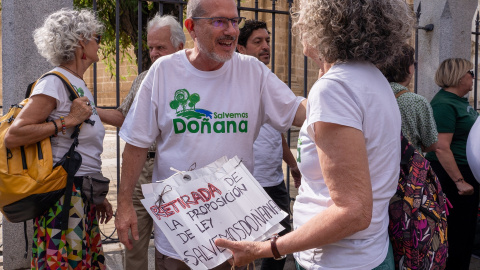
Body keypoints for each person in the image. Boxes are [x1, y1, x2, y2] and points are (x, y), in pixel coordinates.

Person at [215, 0, 414, 269]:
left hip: (336, 260)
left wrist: (265, 248)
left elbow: (354, 212)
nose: (299, 26)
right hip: (370, 252)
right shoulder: (371, 78)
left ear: (324, 24)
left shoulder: (335, 88)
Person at [114, 0, 307, 269]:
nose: (230, 30)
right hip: (180, 237)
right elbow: (135, 145)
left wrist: (334, 86)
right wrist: (124, 205)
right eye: (219, 21)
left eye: (234, 22)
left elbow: (299, 112)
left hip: (236, 236)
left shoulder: (253, 72)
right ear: (192, 27)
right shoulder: (164, 72)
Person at [4, 8, 113, 269]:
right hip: (65, 197)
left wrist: (98, 196)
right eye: (96, 37)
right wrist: (68, 120)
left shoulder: (77, 82)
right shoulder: (54, 82)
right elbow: (14, 135)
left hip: (81, 193)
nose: (100, 43)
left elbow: (83, 150)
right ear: (80, 42)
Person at [97, 14, 185, 270]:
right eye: (151, 48)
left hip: (175, 173)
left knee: (176, 245)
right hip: (142, 170)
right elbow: (124, 117)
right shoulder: (144, 78)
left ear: (180, 47)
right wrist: (91, 110)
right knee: (133, 241)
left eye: (161, 47)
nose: (154, 53)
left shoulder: (194, 81)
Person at [237, 19, 301, 270]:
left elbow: (278, 134)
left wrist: (293, 165)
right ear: (241, 49)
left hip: (275, 183)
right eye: (257, 41)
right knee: (249, 250)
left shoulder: (272, 82)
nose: (266, 46)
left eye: (267, 40)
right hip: (249, 183)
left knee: (279, 247)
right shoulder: (237, 85)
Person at [425, 58, 479, 270]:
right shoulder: (444, 104)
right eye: (470, 72)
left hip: (465, 171)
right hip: (452, 175)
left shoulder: (458, 101)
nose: (473, 76)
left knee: (466, 231)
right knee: (456, 232)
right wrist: (459, 181)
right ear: (458, 75)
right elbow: (441, 147)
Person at [380, 44, 438, 153]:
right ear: (409, 69)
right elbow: (432, 144)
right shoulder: (417, 101)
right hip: (407, 166)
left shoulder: (371, 96)